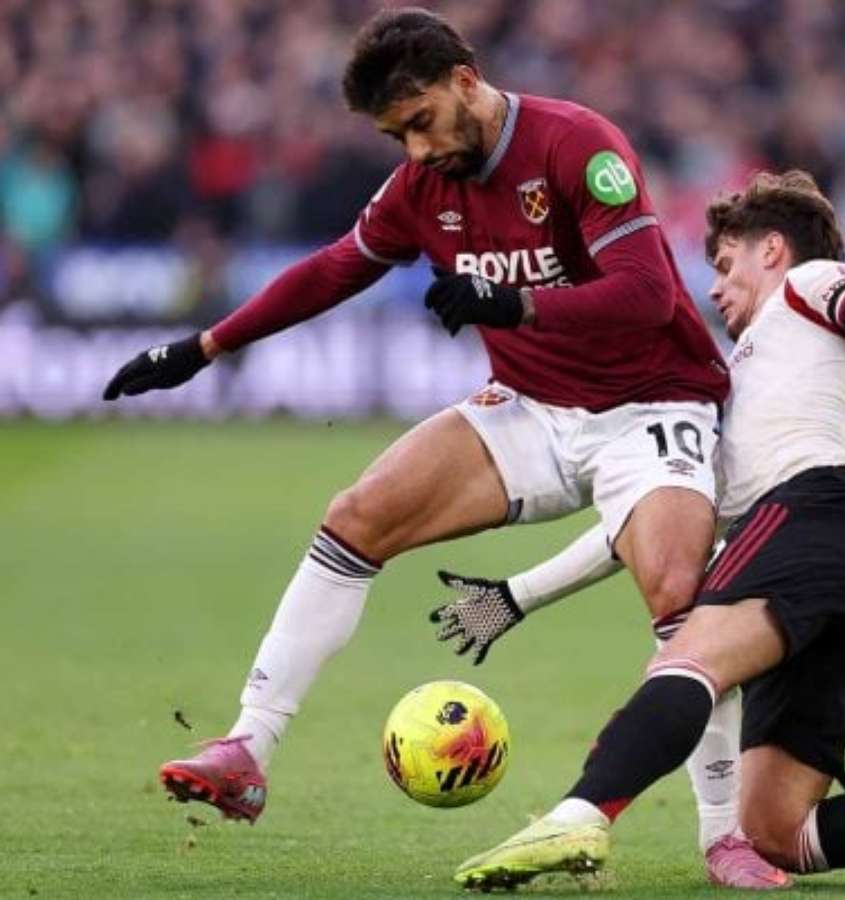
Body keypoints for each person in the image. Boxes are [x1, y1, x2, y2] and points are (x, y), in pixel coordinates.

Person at [100, 8, 774, 885]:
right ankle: (247, 748)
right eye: (397, 136)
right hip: (531, 406)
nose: (416, 150)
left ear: (465, 80)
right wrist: (206, 346)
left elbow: (646, 294)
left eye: (420, 122)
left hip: (652, 407)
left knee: (678, 596)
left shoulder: (577, 146)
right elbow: (337, 266)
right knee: (356, 517)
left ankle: (723, 835)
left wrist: (514, 304)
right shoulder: (420, 186)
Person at [445, 170, 845, 892]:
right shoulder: (747, 382)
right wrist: (518, 594)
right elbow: (655, 530)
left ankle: (579, 815)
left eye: (726, 265)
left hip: (809, 514)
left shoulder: (806, 285)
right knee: (777, 830)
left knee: (684, 659)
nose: (716, 287)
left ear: (773, 250)